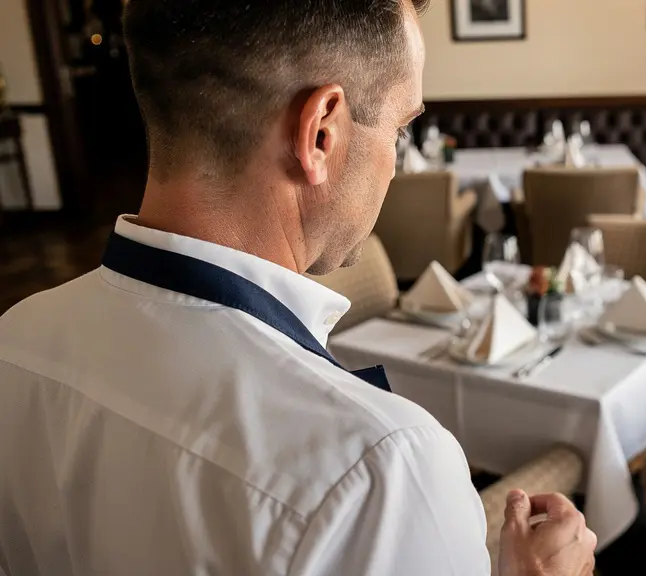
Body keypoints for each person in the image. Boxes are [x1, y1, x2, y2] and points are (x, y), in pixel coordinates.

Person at [0, 0, 596, 574]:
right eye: (399, 129)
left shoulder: (15, 341)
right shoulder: (383, 468)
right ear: (321, 134)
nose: (393, 160)